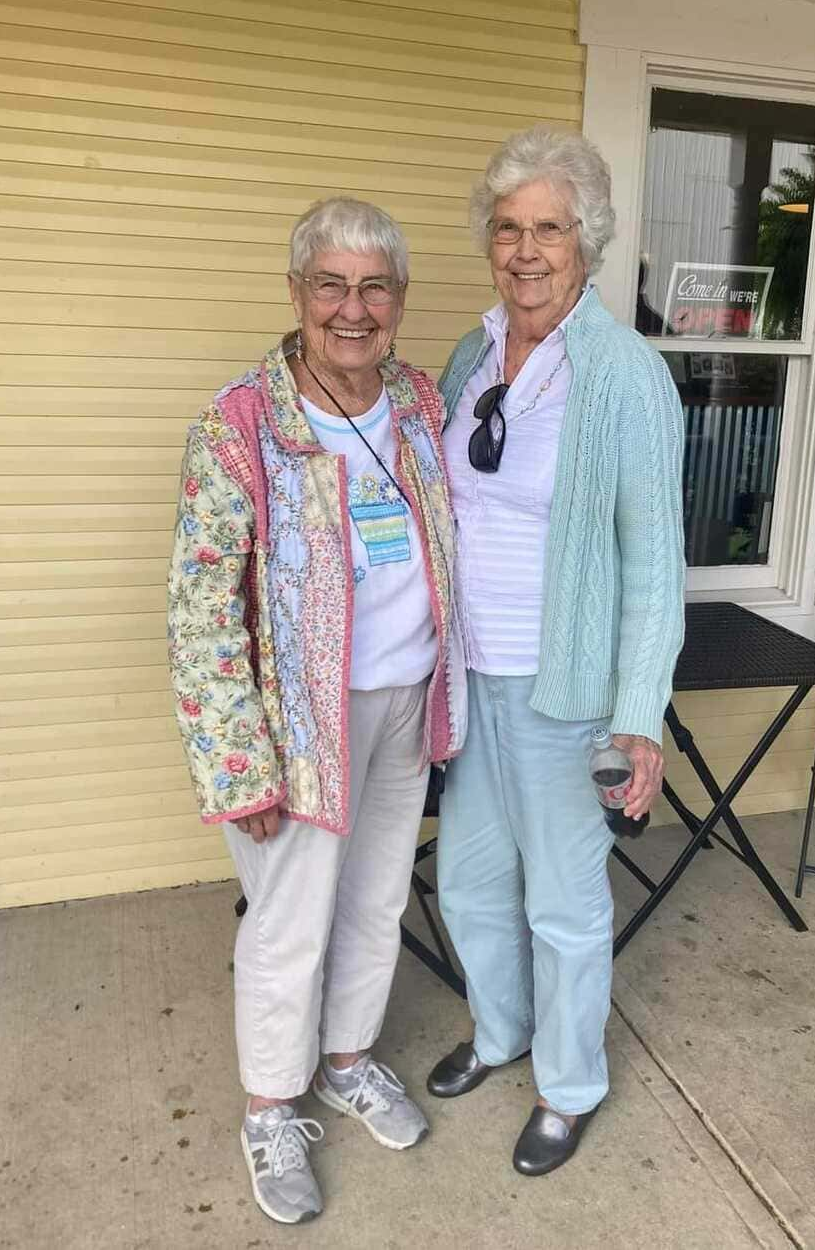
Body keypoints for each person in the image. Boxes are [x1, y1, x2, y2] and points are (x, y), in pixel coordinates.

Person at [167, 197, 465, 1225]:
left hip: (404, 697)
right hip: (296, 725)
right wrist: (235, 760)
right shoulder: (241, 424)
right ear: (296, 294)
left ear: (398, 300)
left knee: (378, 895)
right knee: (289, 920)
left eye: (374, 286)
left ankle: (346, 1057)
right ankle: (269, 1105)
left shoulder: (423, 405)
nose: (353, 308)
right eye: (330, 284)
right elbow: (201, 605)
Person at [428, 127, 685, 1176]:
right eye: (507, 227)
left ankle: (568, 1085)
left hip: (562, 687)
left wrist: (637, 712)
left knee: (565, 902)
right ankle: (502, 1031)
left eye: (548, 228)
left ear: (586, 240)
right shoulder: (471, 351)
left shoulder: (622, 375)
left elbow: (655, 561)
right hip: (470, 675)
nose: (525, 249)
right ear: (488, 242)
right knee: (469, 883)